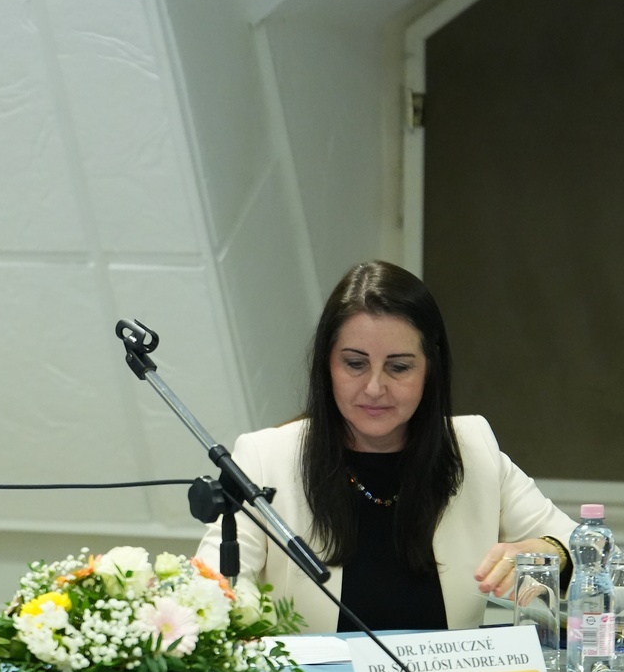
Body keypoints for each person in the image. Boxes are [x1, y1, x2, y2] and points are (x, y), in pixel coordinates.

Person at [196, 261, 573, 632]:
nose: (375, 388)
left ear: (430, 368)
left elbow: (594, 556)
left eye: (399, 367)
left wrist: (552, 552)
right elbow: (209, 591)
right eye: (354, 364)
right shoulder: (265, 458)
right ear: (327, 366)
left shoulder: (473, 449)